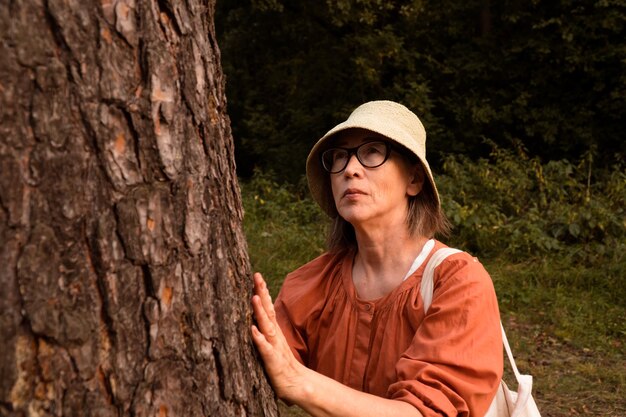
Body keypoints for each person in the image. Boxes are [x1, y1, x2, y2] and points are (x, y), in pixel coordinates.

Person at [251, 100, 503, 417]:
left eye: (372, 152)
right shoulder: (311, 283)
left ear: (414, 180)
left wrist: (300, 382)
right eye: (340, 156)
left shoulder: (457, 282)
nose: (350, 169)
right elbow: (264, 365)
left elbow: (426, 413)